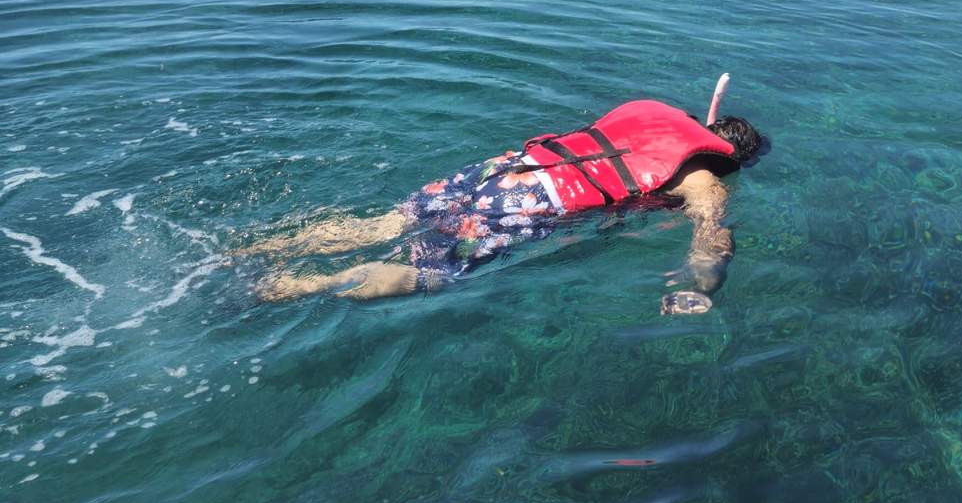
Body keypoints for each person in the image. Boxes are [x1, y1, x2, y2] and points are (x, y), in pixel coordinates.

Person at [241, 97, 763, 315]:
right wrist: (701, 286)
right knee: (436, 274)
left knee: (388, 223)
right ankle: (297, 287)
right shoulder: (705, 182)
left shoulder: (651, 115)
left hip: (506, 168)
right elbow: (711, 241)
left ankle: (255, 250)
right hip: (536, 201)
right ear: (729, 159)